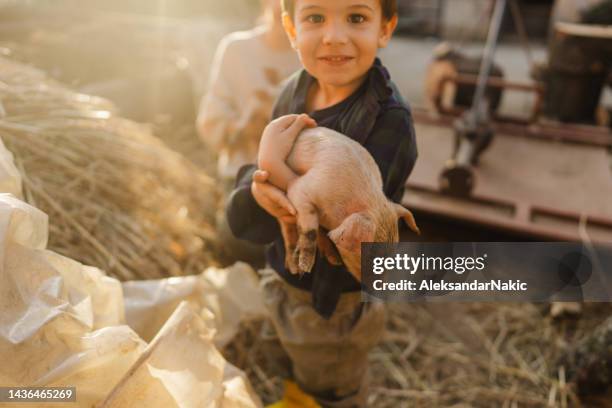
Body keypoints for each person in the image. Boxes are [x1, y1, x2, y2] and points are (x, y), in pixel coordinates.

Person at [226, 0, 418, 406]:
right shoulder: (293, 89)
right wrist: (259, 184)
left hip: (334, 298)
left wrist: (273, 177)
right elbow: (262, 164)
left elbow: (345, 220)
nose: (333, 35)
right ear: (291, 29)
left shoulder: (389, 122)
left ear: (385, 28)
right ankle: (298, 394)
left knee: (330, 378)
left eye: (356, 17)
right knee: (292, 354)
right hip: (284, 270)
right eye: (315, 17)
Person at [197, 0, 300, 264]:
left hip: (296, 183)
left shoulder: (314, 56)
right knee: (240, 240)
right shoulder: (236, 50)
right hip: (242, 174)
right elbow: (210, 121)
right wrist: (245, 126)